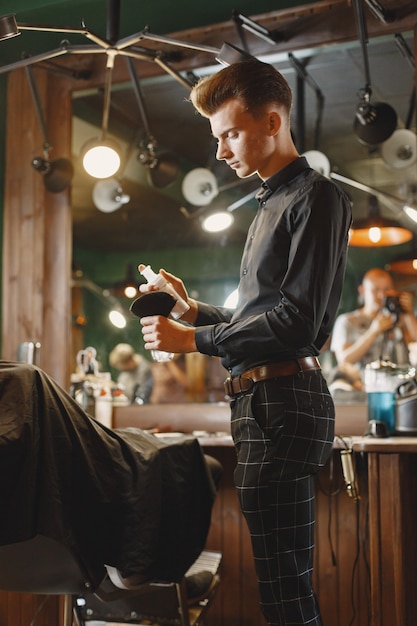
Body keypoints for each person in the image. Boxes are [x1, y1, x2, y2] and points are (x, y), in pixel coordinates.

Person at [138, 59, 352, 626]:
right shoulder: (268, 205)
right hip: (261, 404)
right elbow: (258, 316)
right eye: (218, 137)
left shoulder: (316, 197)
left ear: (272, 121)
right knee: (278, 582)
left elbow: (297, 324)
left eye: (229, 133)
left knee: (285, 588)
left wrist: (194, 340)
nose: (220, 151)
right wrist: (192, 310)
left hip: (284, 403)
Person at [331, 267, 417, 372]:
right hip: (362, 386)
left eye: (387, 289)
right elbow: (344, 361)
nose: (381, 295)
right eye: (375, 290)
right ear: (362, 290)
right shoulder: (346, 321)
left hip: (399, 384)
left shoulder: (399, 318)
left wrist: (408, 313)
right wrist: (374, 331)